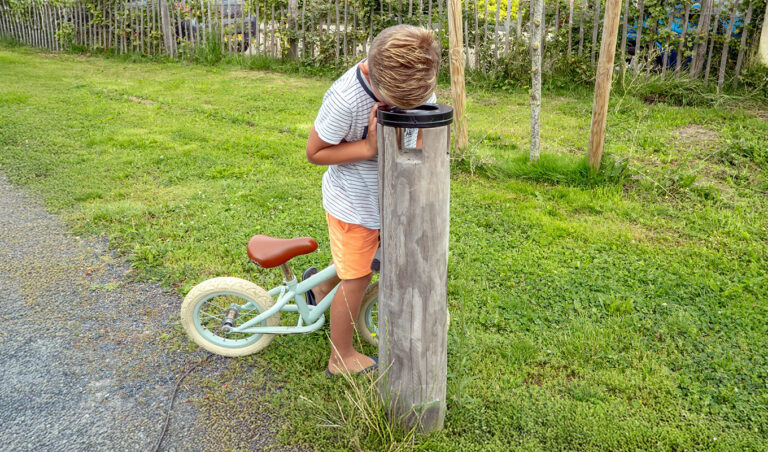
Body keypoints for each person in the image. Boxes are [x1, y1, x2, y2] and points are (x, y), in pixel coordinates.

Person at [304, 24, 440, 376]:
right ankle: (341, 357)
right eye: (394, 104)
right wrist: (368, 147)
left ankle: (319, 287)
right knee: (358, 278)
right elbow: (315, 152)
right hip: (355, 206)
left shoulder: (415, 81)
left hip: (393, 203)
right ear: (370, 72)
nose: (403, 108)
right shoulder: (346, 98)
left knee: (366, 263)